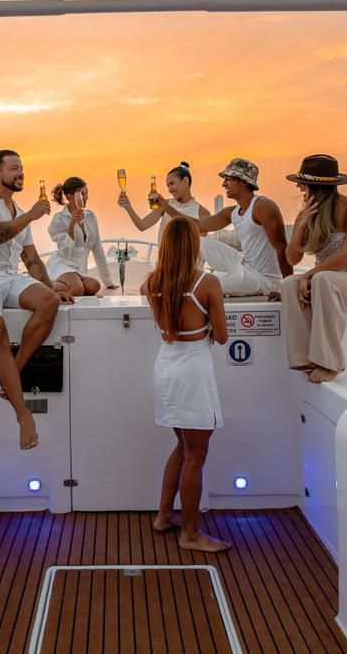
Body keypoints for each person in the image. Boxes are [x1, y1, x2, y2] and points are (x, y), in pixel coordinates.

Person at [0, 149, 74, 450]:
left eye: (22, 168)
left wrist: (50, 288)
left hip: (8, 276)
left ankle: (13, 372)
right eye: (14, 168)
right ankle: (23, 414)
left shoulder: (18, 210)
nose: (21, 173)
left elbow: (30, 258)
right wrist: (30, 215)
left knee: (49, 302)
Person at [141, 217, 230, 553]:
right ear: (194, 245)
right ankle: (190, 534)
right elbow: (221, 336)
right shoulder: (207, 283)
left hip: (166, 366)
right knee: (196, 454)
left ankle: (164, 516)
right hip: (192, 371)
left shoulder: (151, 282)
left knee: (182, 446)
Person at [279, 155, 347, 384]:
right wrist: (302, 224)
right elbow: (291, 258)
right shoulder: (306, 214)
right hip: (325, 278)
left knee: (323, 279)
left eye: (302, 183)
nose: (298, 187)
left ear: (315, 186)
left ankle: (329, 362)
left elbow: (346, 257)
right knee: (288, 284)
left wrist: (308, 275)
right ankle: (303, 358)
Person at [153, 157, 291, 296]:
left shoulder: (263, 206)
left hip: (264, 280)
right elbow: (198, 225)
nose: (223, 184)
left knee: (208, 282)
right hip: (245, 266)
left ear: (242, 181)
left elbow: (282, 247)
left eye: (228, 179)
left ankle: (187, 285)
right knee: (198, 241)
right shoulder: (232, 212)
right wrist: (165, 205)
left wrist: (287, 289)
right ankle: (178, 279)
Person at [47, 176, 117, 296]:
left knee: (94, 286)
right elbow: (66, 251)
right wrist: (72, 224)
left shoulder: (90, 216)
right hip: (62, 265)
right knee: (77, 289)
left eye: (87, 193)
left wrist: (108, 281)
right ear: (70, 196)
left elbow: (98, 249)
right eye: (83, 194)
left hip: (79, 269)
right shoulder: (59, 219)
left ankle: (66, 284)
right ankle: (47, 285)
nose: (86, 197)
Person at [117, 162, 212, 249]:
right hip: (164, 262)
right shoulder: (164, 205)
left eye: (172, 184)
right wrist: (128, 206)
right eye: (167, 186)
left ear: (185, 181)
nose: (169, 189)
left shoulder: (203, 213)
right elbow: (142, 226)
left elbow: (195, 246)